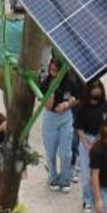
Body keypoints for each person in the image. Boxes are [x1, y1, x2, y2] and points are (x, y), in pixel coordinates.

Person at [40, 55, 79, 192]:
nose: (53, 72)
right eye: (51, 69)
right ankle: (53, 177)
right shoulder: (45, 83)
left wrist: (68, 103)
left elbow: (77, 97)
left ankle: (65, 179)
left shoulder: (70, 82)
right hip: (51, 118)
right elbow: (49, 106)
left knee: (66, 153)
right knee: (50, 152)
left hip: (66, 117)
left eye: (56, 69)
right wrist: (52, 87)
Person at [76, 80, 107, 213]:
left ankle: (99, 197)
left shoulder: (106, 105)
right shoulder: (83, 106)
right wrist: (86, 143)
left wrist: (99, 139)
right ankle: (87, 199)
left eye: (99, 89)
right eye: (94, 89)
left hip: (101, 140)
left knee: (100, 173)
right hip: (86, 139)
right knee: (86, 174)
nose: (97, 92)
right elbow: (79, 127)